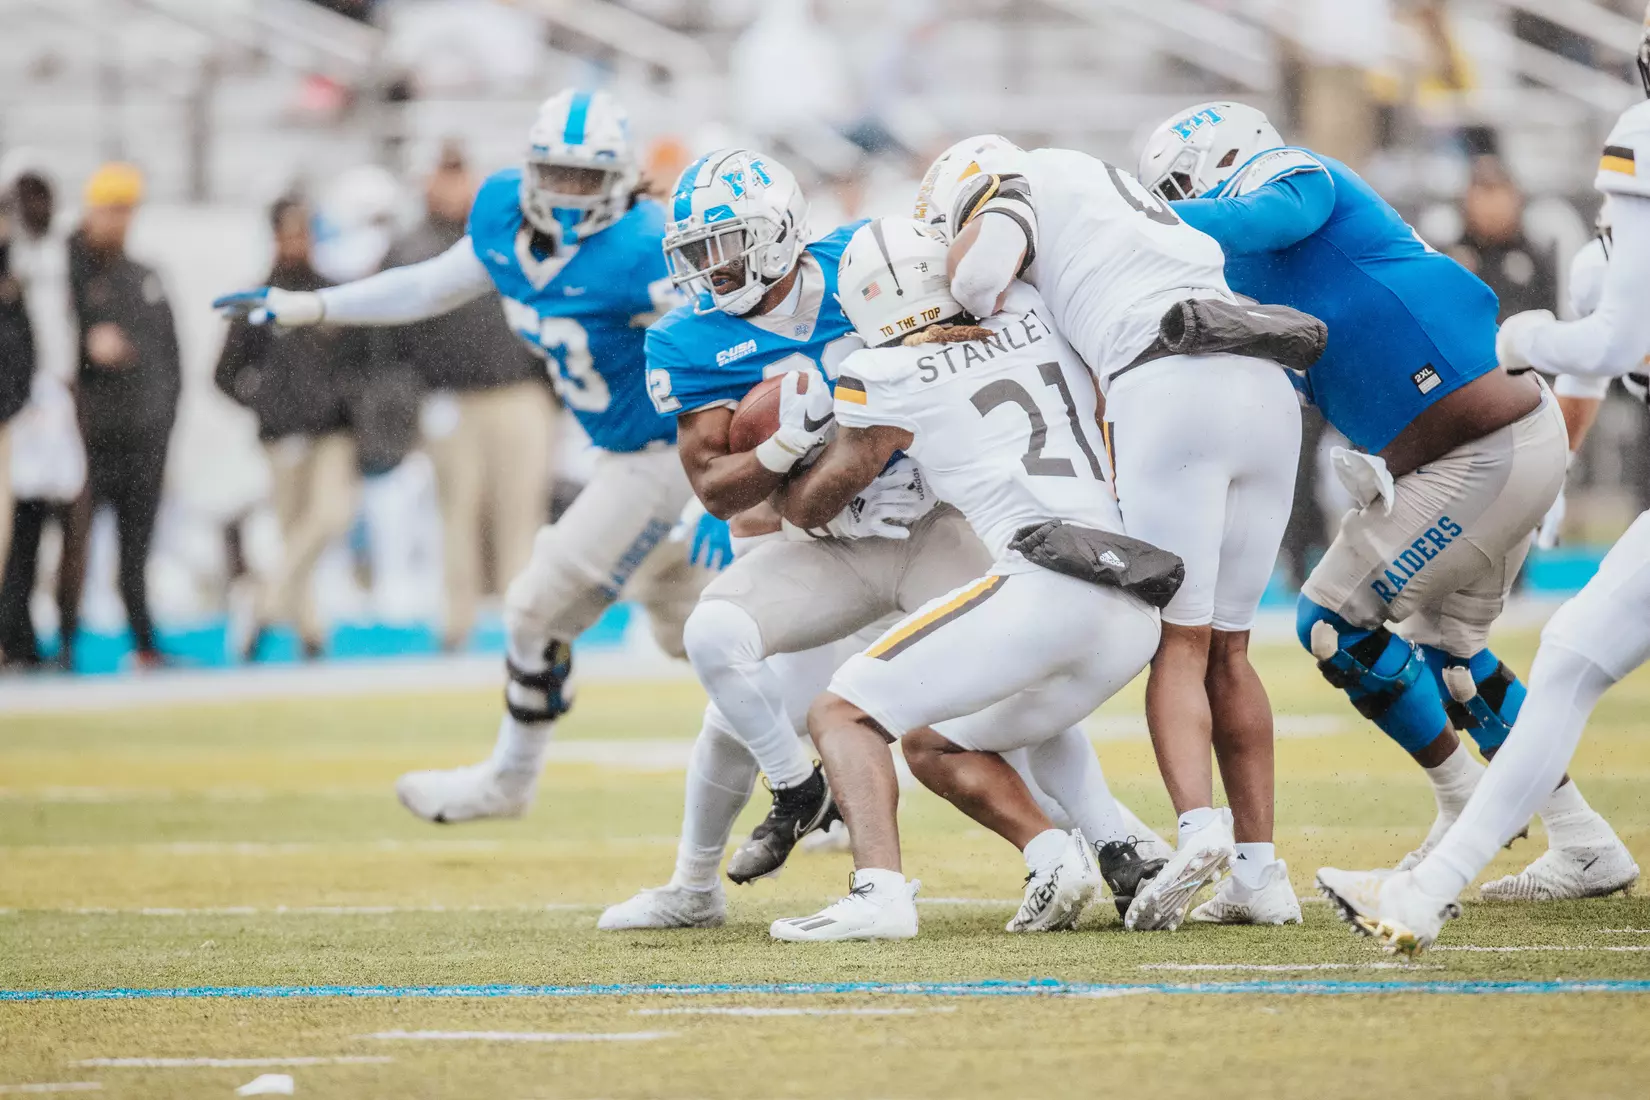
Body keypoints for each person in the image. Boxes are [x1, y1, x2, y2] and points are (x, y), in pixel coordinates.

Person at [600, 151, 1165, 931]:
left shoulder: (872, 261)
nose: (709, 269)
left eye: (723, 246)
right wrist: (774, 452)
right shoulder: (686, 339)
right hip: (823, 541)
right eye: (695, 252)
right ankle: (746, 835)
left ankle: (1114, 844)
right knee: (720, 650)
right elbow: (717, 486)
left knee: (1005, 681)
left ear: (776, 234)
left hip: (931, 522)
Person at [1137, 101, 1615, 891]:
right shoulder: (1247, 266)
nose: (1180, 205)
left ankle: (1463, 807)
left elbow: (1265, 214)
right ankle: (1583, 840)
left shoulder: (1294, 176)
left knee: (1332, 624)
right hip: (1482, 448)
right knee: (1454, 659)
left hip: (1482, 448)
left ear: (1225, 157)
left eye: (1182, 187)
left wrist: (1142, 217)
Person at [214, 89, 712, 821]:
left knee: (535, 606)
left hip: (671, 457)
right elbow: (429, 285)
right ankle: (812, 781)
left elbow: (728, 356)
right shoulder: (505, 214)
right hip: (626, 455)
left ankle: (511, 779)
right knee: (702, 637)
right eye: (558, 175)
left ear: (620, 178)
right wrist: (319, 305)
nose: (569, 196)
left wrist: (720, 491)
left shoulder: (646, 248)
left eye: (586, 178)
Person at [1315, 10, 1650, 949]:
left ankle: (1433, 885)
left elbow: (1604, 345)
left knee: (1567, 661)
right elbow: (1593, 378)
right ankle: (1440, 885)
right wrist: (1553, 481)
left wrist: (1519, 341)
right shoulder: (1596, 256)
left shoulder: (1636, 146)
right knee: (1567, 657)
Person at [922, 135, 1305, 930]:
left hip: (1171, 379)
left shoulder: (1016, 185)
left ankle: (1199, 832)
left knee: (1181, 640)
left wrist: (956, 308)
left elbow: (982, 273)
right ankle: (1261, 874)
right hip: (1267, 385)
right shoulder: (1115, 192)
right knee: (1232, 645)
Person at [768, 219, 1176, 942]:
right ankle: (1082, 854)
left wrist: (785, 451)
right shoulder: (1032, 312)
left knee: (842, 713)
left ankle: (879, 894)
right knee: (934, 741)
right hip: (1133, 599)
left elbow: (817, 501)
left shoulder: (881, 372)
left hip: (1044, 582)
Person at [384, 143, 552, 652]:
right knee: (456, 513)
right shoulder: (410, 245)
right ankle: (456, 623)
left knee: (520, 512)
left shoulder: (510, 236)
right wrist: (415, 398)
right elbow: (389, 337)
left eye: (461, 173)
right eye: (445, 174)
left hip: (517, 393)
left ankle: (520, 626)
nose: (453, 185)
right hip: (451, 400)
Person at [214, 197, 371, 661]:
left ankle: (261, 604)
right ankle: (310, 632)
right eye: (288, 232)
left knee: (328, 517)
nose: (296, 242)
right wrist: (267, 405)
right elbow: (223, 375)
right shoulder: (260, 301)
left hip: (332, 435)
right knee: (291, 532)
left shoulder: (331, 296)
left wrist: (345, 400)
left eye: (303, 232)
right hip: (282, 438)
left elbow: (364, 361)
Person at [67, 163, 182, 671]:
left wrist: (164, 423)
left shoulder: (144, 277)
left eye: (126, 210)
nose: (119, 220)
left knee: (136, 551)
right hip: (87, 438)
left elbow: (171, 359)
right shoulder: (70, 274)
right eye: (111, 208)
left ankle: (145, 642)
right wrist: (86, 348)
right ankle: (63, 642)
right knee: (74, 546)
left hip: (143, 437)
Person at [0, 160, 87, 671]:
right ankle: (17, 636)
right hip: (21, 406)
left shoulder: (63, 255)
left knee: (66, 521)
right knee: (18, 533)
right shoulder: (14, 261)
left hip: (58, 400)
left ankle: (59, 634)